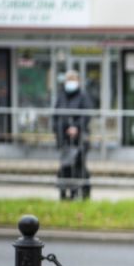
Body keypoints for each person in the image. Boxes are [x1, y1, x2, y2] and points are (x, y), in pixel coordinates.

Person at [54, 70, 93, 200]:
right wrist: (60, 130)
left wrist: (76, 127)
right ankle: (64, 193)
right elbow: (56, 115)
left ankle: (82, 192)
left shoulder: (83, 96)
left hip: (79, 139)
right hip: (65, 139)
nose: (70, 82)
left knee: (79, 167)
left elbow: (86, 115)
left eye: (73, 79)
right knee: (65, 167)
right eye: (68, 80)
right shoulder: (61, 96)